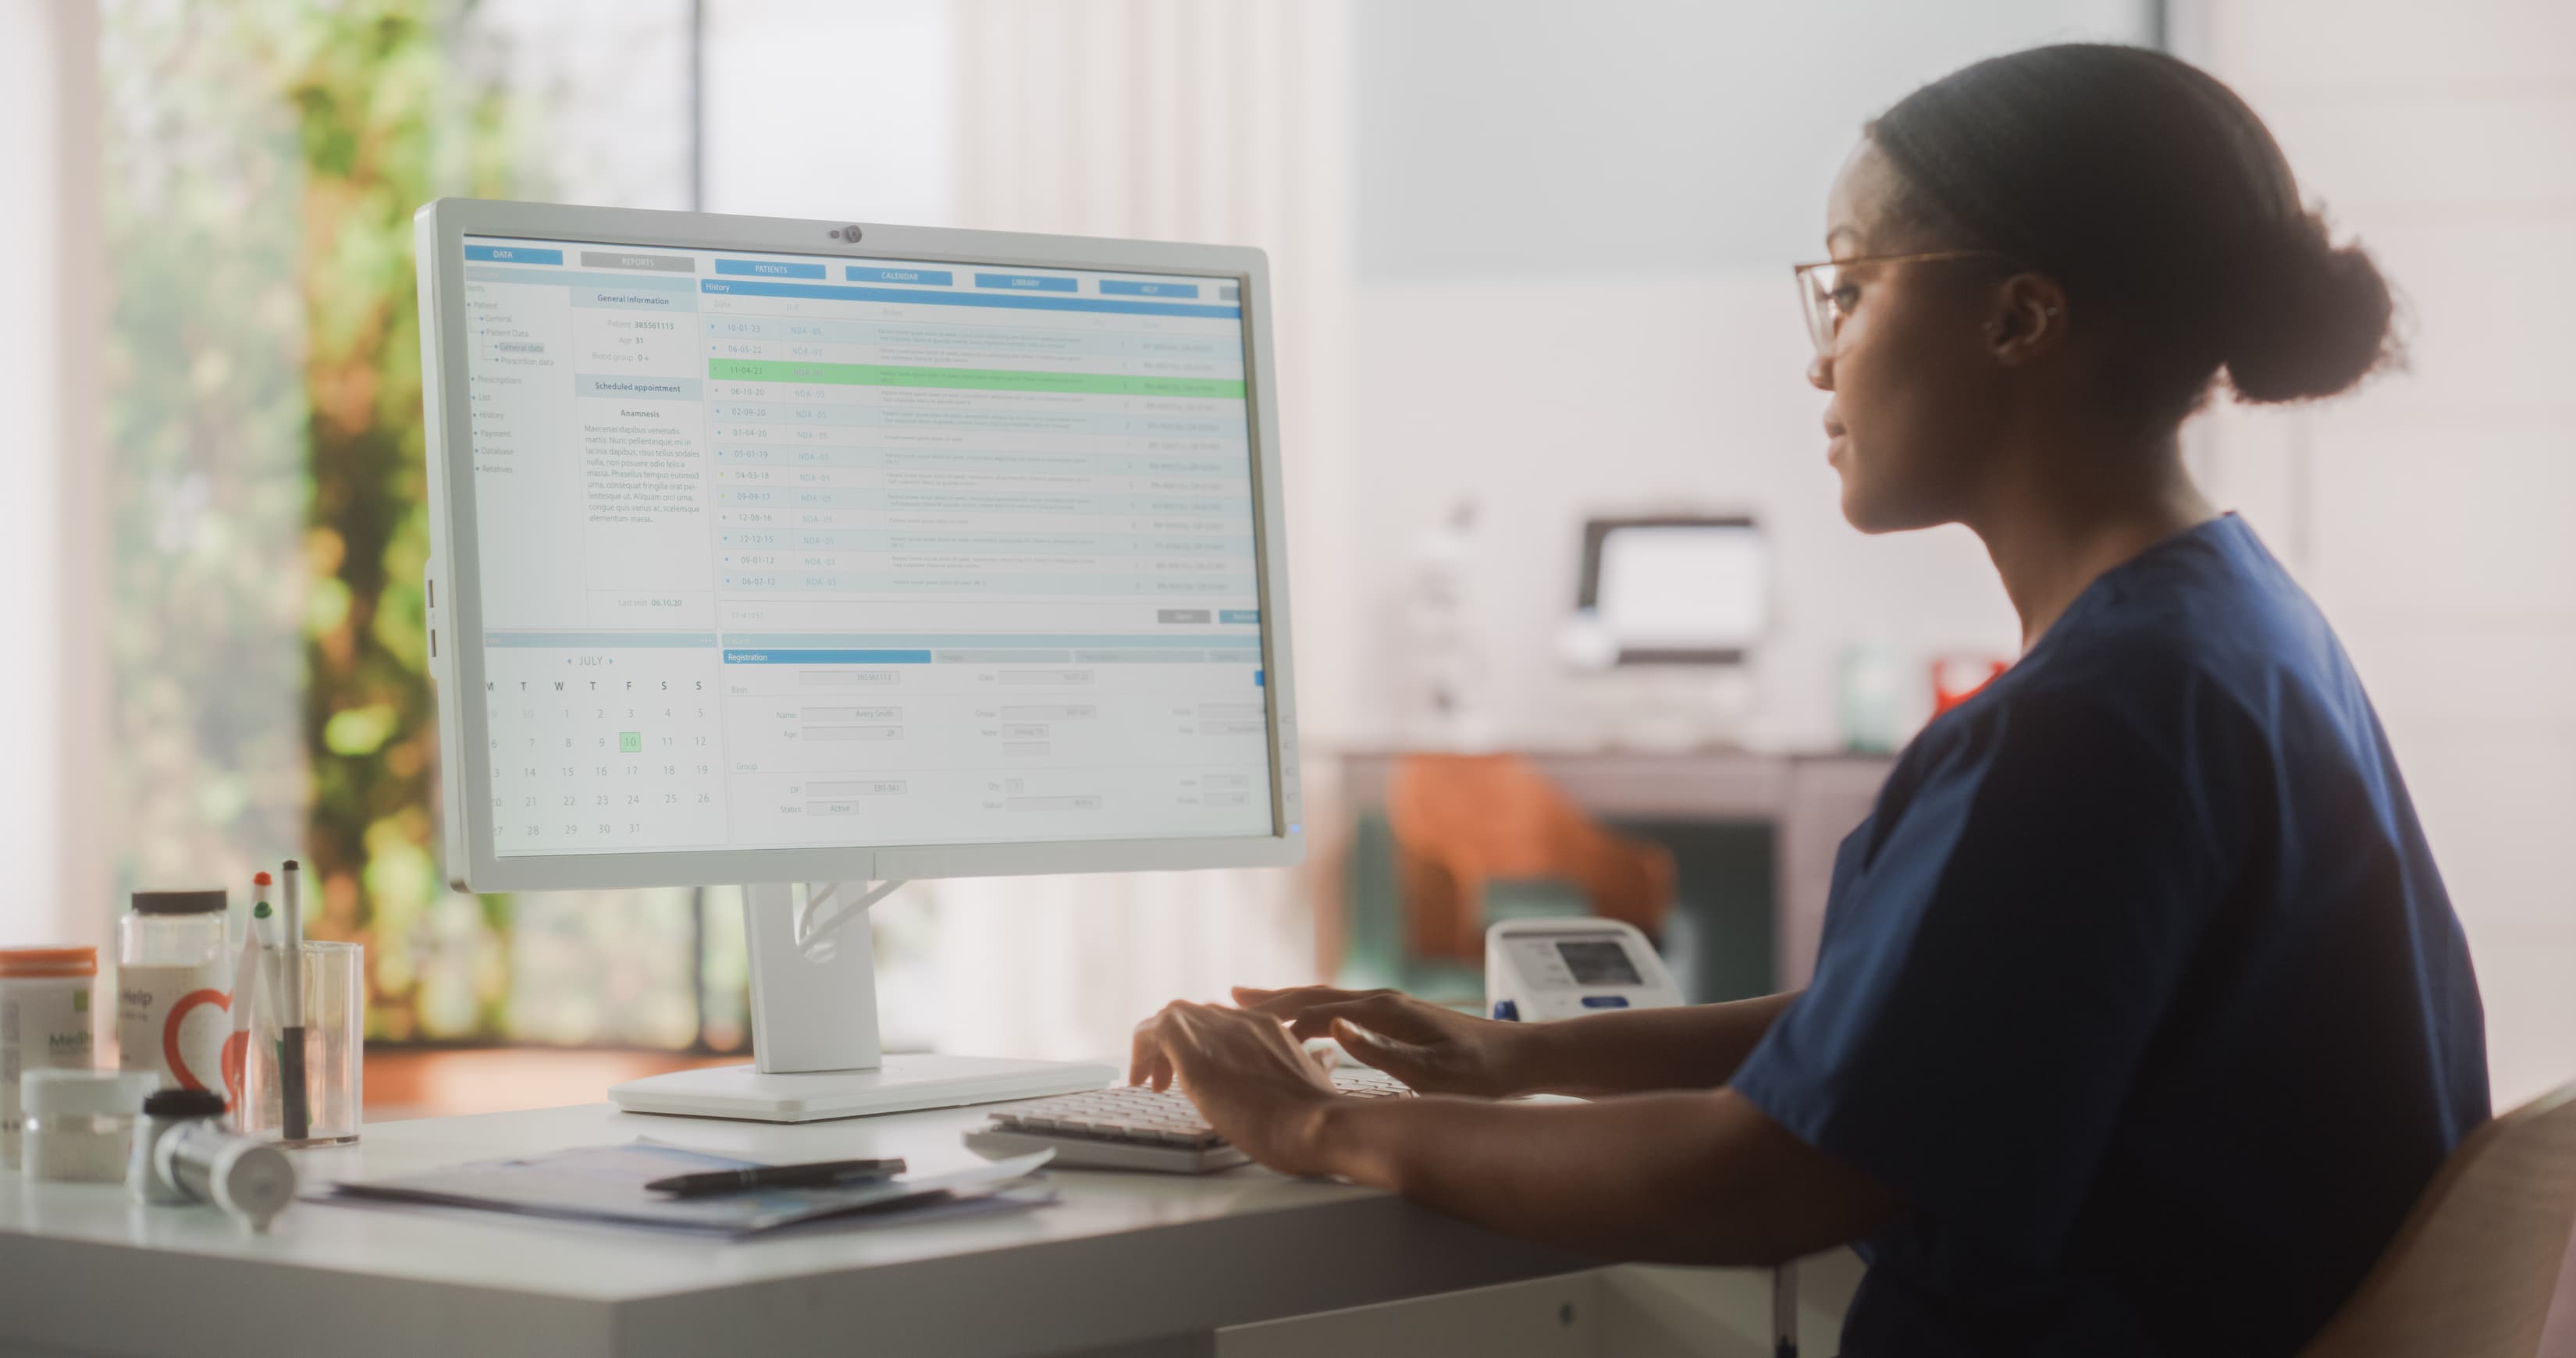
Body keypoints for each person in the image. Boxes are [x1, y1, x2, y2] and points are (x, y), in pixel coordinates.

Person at [1126, 43, 2490, 1358]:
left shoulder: (2089, 724)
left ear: (2019, 316)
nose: (1820, 359)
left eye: (1848, 290)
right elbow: (1945, 1028)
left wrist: (1315, 1127)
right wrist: (1506, 1060)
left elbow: (1764, 1181)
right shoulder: (2234, 631)